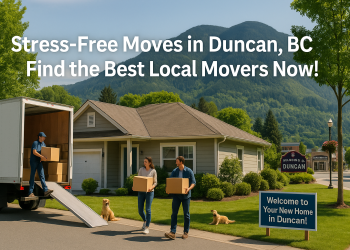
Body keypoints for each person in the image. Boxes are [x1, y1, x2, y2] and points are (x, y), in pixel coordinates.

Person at [164, 156, 196, 240]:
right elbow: (171, 181)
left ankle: (185, 232)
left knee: (186, 214)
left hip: (186, 196)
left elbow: (193, 182)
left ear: (181, 162)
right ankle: (172, 232)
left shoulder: (189, 171)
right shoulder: (175, 171)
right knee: (174, 214)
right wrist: (168, 188)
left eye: (177, 161)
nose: (175, 162)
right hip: (176, 196)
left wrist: (189, 188)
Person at [133, 157, 157, 234]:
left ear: (150, 163)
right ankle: (145, 220)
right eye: (144, 161)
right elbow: (138, 180)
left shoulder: (153, 171)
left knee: (148, 210)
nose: (144, 163)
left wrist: (151, 188)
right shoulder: (141, 170)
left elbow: (155, 183)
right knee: (140, 210)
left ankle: (147, 227)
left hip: (150, 192)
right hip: (141, 192)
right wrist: (135, 186)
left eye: (146, 161)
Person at [28, 132, 53, 197]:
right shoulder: (35, 143)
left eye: (44, 137)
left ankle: (45, 190)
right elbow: (34, 152)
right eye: (43, 137)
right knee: (32, 175)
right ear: (39, 137)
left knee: (42, 175)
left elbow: (44, 152)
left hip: (39, 161)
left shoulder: (43, 144)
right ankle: (30, 192)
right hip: (33, 161)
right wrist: (41, 156)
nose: (44, 138)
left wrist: (44, 157)